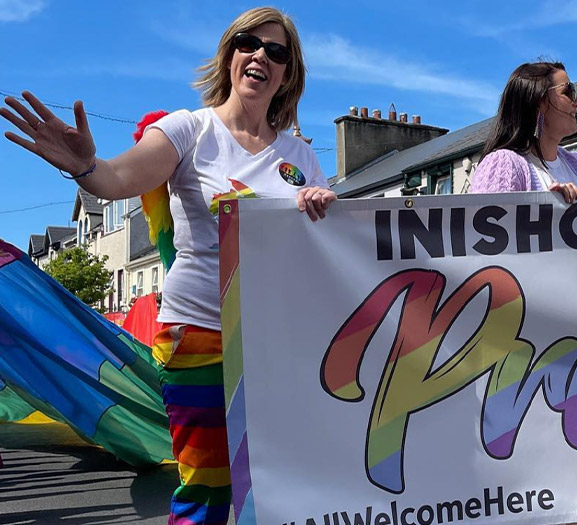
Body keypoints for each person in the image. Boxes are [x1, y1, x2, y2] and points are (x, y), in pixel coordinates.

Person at [1, 7, 336, 525]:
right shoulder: (190, 130)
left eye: (277, 51)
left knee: (276, 482)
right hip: (200, 334)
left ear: (288, 73)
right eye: (249, 43)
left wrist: (321, 206)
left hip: (278, 340)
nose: (261, 56)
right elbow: (115, 180)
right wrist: (86, 167)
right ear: (230, 55)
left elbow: (325, 250)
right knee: (206, 487)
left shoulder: (301, 156)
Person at [470, 61, 577, 525]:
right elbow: (482, 255)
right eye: (569, 91)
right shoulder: (504, 164)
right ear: (538, 100)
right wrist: (542, 213)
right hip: (530, 358)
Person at [469, 61, 577, 202]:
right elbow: (484, 223)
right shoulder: (503, 163)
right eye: (569, 91)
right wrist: (545, 211)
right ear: (540, 102)